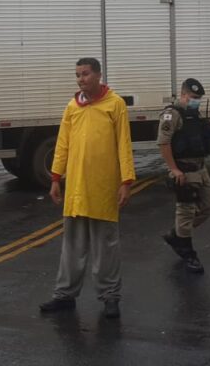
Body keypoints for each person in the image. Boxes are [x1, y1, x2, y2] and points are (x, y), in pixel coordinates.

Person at [39, 57, 136, 319]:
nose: (81, 79)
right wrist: (56, 178)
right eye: (77, 75)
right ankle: (65, 295)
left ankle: (110, 297)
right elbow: (63, 144)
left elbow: (123, 145)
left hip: (104, 188)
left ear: (98, 75)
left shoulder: (115, 105)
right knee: (72, 246)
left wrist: (126, 182)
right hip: (76, 189)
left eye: (85, 74)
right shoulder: (72, 107)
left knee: (106, 246)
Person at [158, 78, 210, 274]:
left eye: (198, 98)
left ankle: (177, 234)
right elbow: (164, 143)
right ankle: (188, 253)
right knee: (185, 211)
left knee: (207, 206)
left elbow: (197, 136)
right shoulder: (171, 115)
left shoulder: (194, 114)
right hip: (184, 170)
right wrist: (174, 170)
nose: (196, 101)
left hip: (200, 168)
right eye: (193, 98)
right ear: (183, 95)